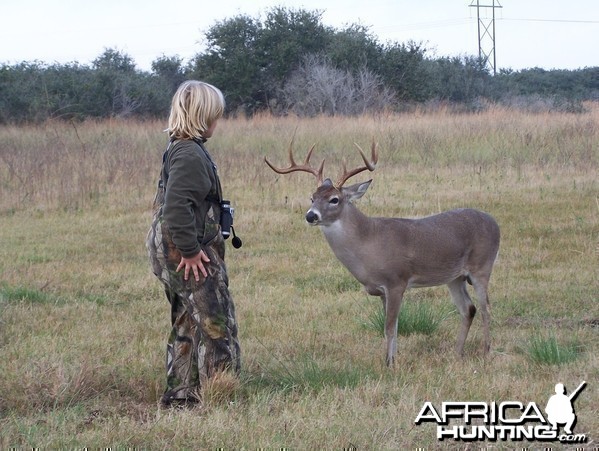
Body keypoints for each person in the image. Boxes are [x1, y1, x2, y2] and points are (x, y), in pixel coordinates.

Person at [146, 80, 240, 407]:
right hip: (182, 250)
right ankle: (221, 395)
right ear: (202, 116)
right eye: (215, 115)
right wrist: (189, 250)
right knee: (215, 321)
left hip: (171, 249)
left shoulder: (181, 147)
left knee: (187, 320)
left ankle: (182, 397)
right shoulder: (188, 153)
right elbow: (175, 207)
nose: (219, 121)